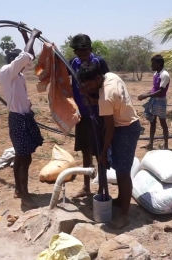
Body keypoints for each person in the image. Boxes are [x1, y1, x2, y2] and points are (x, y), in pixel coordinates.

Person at [77, 62, 141, 229]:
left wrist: (104, 152)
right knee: (121, 169)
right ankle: (120, 199)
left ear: (98, 78)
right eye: (85, 85)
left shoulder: (106, 97)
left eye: (89, 84)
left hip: (125, 128)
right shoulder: (111, 76)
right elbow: (104, 98)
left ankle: (124, 215)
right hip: (129, 122)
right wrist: (90, 93)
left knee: (123, 172)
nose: (88, 87)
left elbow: (110, 128)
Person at [0, 28, 43, 209]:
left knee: (24, 156)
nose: (25, 65)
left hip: (25, 117)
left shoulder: (19, 74)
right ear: (14, 61)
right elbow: (26, 55)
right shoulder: (6, 71)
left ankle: (19, 189)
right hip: (18, 120)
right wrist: (31, 36)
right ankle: (25, 196)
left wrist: (25, 35)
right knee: (24, 158)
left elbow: (28, 56)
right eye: (21, 62)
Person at [69, 34, 110, 198]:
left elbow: (107, 85)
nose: (82, 57)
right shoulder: (72, 63)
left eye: (85, 53)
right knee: (85, 150)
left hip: (99, 114)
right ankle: (86, 187)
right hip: (83, 115)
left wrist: (94, 99)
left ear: (91, 50)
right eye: (79, 54)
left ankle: (102, 187)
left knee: (100, 151)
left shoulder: (99, 62)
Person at [138, 54, 170, 150]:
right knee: (152, 122)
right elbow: (154, 89)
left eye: (153, 64)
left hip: (160, 101)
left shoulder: (165, 75)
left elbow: (161, 91)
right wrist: (144, 94)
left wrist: (146, 96)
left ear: (159, 64)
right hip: (154, 100)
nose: (151, 66)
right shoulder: (156, 74)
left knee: (163, 123)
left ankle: (166, 145)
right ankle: (150, 144)